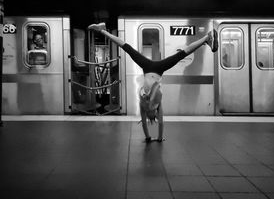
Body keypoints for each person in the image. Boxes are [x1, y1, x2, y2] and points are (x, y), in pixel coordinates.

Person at [88, 22, 218, 143]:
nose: (151, 117)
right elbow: (161, 121)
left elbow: (144, 123)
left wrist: (149, 137)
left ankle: (103, 31)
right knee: (182, 54)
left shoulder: (143, 105)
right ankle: (206, 39)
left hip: (147, 67)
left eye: (150, 117)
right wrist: (160, 138)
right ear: (155, 114)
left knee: (127, 48)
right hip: (159, 69)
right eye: (153, 117)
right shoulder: (157, 104)